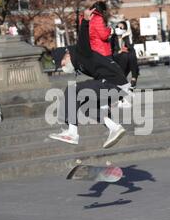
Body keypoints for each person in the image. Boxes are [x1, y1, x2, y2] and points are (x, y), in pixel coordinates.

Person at [49, 9, 129, 148]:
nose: (63, 68)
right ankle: (114, 127)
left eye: (61, 64)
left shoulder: (80, 52)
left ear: (66, 55)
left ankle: (72, 133)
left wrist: (86, 21)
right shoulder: (79, 64)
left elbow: (83, 38)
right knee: (86, 105)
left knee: (73, 89)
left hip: (114, 83)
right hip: (117, 86)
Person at [110, 21, 139, 89]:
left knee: (131, 54)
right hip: (116, 58)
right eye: (117, 27)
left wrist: (127, 36)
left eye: (120, 27)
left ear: (124, 30)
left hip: (126, 59)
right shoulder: (113, 38)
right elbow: (111, 53)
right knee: (126, 55)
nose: (118, 28)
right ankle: (133, 77)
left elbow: (131, 47)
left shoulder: (126, 38)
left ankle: (133, 78)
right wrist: (120, 51)